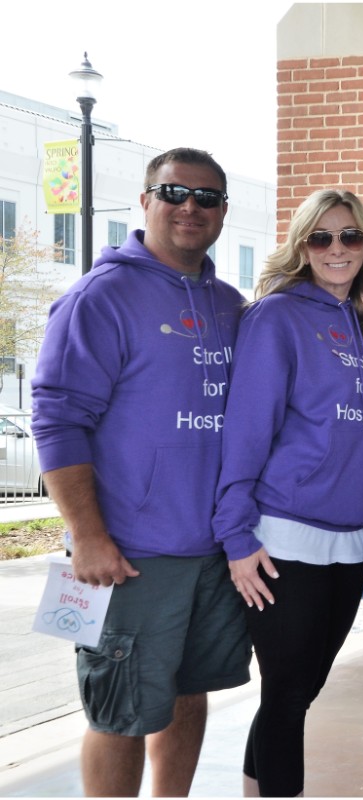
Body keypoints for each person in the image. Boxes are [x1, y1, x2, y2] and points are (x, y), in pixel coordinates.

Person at [30, 147, 250, 797]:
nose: (191, 207)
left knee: (187, 693)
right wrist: (87, 535)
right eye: (175, 193)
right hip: (129, 552)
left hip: (212, 552)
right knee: (120, 710)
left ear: (222, 212)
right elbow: (57, 419)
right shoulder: (103, 296)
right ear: (147, 201)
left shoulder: (230, 304)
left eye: (206, 198)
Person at [212, 189, 363, 796]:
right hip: (283, 537)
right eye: (321, 237)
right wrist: (236, 535)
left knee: (300, 692)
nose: (336, 248)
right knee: (287, 696)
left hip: (350, 541)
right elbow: (246, 430)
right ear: (302, 246)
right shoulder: (277, 317)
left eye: (349, 236)